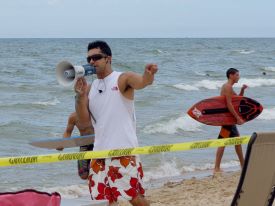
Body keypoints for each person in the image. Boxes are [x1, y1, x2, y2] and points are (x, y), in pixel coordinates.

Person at [74, 40, 158, 206]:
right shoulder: (90, 88)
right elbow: (84, 124)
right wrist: (80, 96)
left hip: (123, 149)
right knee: (106, 199)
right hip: (99, 152)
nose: (92, 62)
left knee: (134, 197)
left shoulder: (122, 78)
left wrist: (148, 76)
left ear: (108, 58)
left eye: (96, 57)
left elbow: (141, 82)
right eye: (89, 58)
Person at [214, 68, 248, 173]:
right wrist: (237, 118)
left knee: (233, 141)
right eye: (237, 75)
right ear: (231, 75)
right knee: (225, 141)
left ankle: (242, 165)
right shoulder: (227, 87)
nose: (239, 77)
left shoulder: (229, 87)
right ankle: (217, 168)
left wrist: (242, 90)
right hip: (227, 119)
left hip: (228, 119)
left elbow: (238, 99)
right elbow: (229, 104)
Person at [61, 112, 94, 180]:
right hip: (84, 145)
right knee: (83, 175)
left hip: (98, 144)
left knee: (98, 171)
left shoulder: (96, 114)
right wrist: (62, 144)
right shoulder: (73, 117)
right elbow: (68, 132)